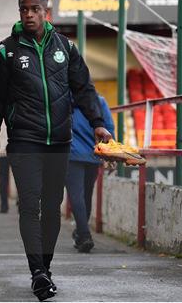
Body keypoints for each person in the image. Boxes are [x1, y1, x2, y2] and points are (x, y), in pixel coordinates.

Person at [0, 0, 112, 301]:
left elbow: (84, 88)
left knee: (52, 208)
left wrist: (98, 123)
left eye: (34, 9)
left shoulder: (65, 49)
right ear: (19, 12)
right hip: (24, 140)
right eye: (23, 9)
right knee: (29, 204)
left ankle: (45, 266)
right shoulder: (7, 52)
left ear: (46, 12)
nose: (28, 14)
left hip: (60, 141)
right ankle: (37, 272)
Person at [66, 95, 115, 253]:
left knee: (76, 196)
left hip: (71, 154)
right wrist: (110, 153)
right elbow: (109, 127)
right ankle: (81, 232)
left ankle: (84, 234)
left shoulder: (64, 100)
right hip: (94, 154)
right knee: (86, 195)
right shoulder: (99, 101)